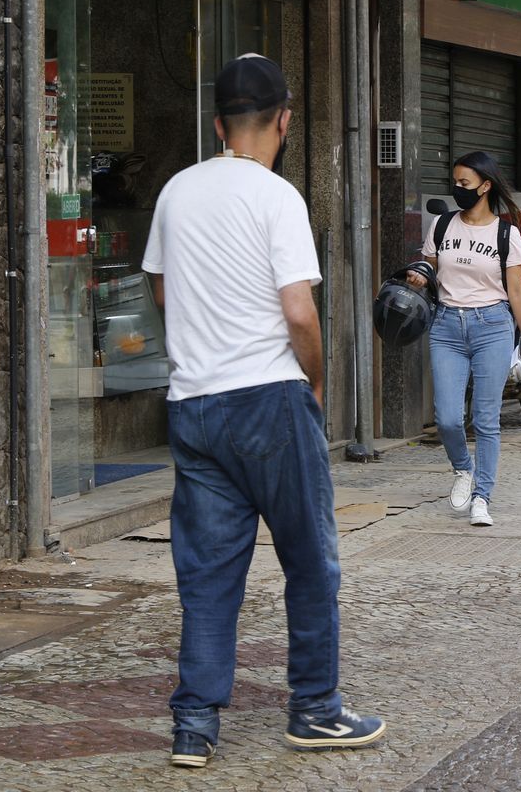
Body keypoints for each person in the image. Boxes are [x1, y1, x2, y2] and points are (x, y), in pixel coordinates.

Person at [141, 54, 385, 769]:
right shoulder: (278, 198)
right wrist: (313, 382)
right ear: (284, 120)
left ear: (218, 124)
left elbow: (160, 290)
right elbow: (298, 311)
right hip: (268, 400)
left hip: (193, 404)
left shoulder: (176, 192)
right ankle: (314, 709)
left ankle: (194, 725)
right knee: (311, 560)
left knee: (208, 570)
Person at [407, 152, 521, 527]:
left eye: (464, 184)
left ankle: (482, 496)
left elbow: (517, 291)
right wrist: (419, 275)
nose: (457, 189)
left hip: (491, 325)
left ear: (485, 185)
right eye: (456, 182)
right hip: (446, 326)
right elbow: (429, 268)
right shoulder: (442, 226)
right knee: (447, 418)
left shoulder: (505, 235)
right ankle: (463, 468)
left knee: (485, 419)